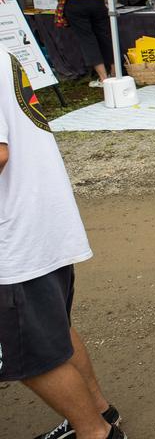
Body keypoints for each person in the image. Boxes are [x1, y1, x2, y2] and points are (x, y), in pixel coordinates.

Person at [0, 46, 126, 439]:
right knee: (52, 331)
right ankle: (100, 415)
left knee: (29, 356)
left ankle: (95, 433)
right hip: (36, 224)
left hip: (13, 239)